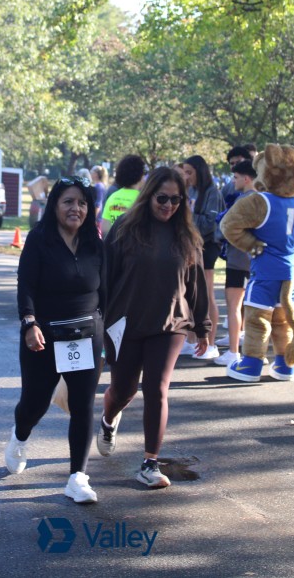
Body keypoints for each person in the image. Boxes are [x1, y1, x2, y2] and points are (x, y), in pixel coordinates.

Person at [96, 167, 210, 488]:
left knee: (157, 388)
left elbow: (195, 284)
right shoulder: (125, 229)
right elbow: (105, 277)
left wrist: (202, 327)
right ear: (148, 197)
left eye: (176, 200)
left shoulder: (187, 236)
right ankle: (108, 418)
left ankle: (149, 463)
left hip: (170, 323)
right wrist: (97, 319)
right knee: (123, 390)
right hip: (125, 322)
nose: (168, 205)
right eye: (162, 198)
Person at [6, 176, 105, 503]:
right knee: (34, 403)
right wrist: (29, 323)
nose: (76, 208)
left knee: (83, 405)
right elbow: (26, 286)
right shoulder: (39, 239)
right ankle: (20, 436)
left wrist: (105, 330)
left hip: (85, 335)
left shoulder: (94, 242)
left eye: (82, 203)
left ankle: (78, 476)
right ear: (55, 206)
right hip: (44, 336)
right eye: (68, 202)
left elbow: (105, 290)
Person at [180, 155, 225, 361]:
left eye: (189, 172)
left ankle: (211, 343)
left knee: (206, 295)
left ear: (200, 171)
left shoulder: (212, 192)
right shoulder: (190, 190)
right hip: (191, 246)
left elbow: (210, 223)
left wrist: (187, 213)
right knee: (190, 294)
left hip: (207, 247)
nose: (186, 176)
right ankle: (191, 341)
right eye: (184, 172)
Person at [214, 160, 255, 366]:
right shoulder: (262, 200)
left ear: (246, 178)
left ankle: (233, 351)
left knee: (233, 306)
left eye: (236, 177)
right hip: (254, 260)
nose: (233, 181)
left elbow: (226, 228)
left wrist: (221, 233)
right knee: (252, 307)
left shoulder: (243, 201)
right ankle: (251, 350)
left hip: (238, 259)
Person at [101, 154, 145, 233]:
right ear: (140, 175)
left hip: (113, 239)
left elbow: (104, 229)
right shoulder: (143, 199)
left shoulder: (112, 197)